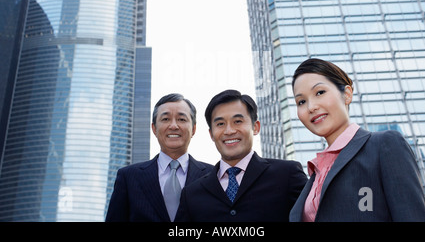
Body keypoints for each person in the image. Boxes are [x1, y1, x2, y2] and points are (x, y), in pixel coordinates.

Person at [289, 58, 425, 222]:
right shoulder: (314, 176)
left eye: (320, 92)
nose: (311, 107)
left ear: (347, 94)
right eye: (301, 101)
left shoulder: (384, 145)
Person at [175, 89, 308, 222]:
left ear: (255, 127)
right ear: (211, 134)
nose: (229, 131)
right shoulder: (191, 193)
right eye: (220, 124)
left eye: (237, 121)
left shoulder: (287, 174)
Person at [106, 93, 213, 222]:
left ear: (194, 129)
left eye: (182, 119)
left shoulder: (214, 176)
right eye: (166, 119)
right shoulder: (128, 177)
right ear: (154, 128)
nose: (173, 126)